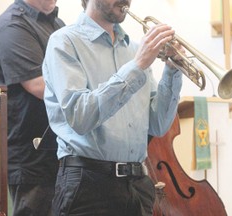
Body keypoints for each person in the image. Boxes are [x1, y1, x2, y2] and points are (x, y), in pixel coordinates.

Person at [43, 0, 184, 215]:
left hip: (137, 185)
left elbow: (158, 125)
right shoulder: (64, 42)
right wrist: (137, 66)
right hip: (87, 183)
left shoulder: (135, 50)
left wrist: (173, 70)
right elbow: (80, 116)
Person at [0, 0, 65, 215]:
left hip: (58, 154)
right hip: (32, 160)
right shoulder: (11, 25)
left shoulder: (57, 24)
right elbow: (39, 86)